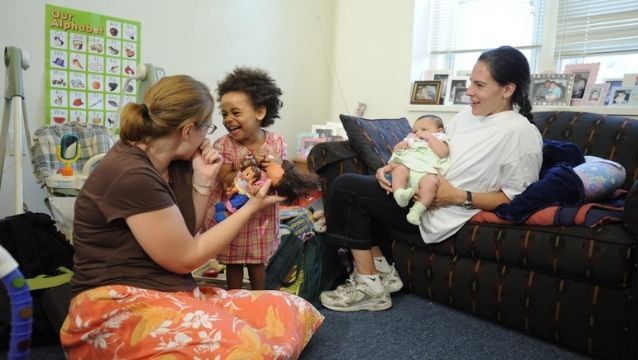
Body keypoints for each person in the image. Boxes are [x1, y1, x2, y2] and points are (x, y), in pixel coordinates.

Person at [59, 75, 323, 358]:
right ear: (187, 131)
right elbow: (186, 256)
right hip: (118, 303)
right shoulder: (131, 174)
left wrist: (203, 180)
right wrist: (250, 208)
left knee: (292, 308)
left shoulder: (179, 163)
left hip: (171, 291)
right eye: (208, 126)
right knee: (247, 349)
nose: (209, 136)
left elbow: (187, 231)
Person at [319, 45, 543, 312]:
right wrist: (391, 167)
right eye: (471, 81)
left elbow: (519, 199)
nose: (469, 90)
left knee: (346, 188)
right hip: (420, 189)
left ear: (508, 90)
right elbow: (435, 152)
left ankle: (370, 288)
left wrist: (458, 196)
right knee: (359, 185)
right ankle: (382, 275)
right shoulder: (466, 117)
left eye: (480, 85)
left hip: (441, 210)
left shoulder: (521, 133)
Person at [204, 67, 287, 291]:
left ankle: (259, 298)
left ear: (260, 113)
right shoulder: (224, 144)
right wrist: (248, 166)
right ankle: (234, 298)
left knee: (257, 261)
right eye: (224, 114)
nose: (228, 119)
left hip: (263, 216)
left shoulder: (276, 142)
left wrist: (275, 163)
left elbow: (282, 176)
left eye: (236, 113)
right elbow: (224, 179)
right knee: (234, 262)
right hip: (234, 212)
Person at [388, 115, 449, 225]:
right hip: (408, 168)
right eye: (415, 131)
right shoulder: (411, 139)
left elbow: (443, 153)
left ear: (439, 131)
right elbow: (395, 151)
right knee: (399, 170)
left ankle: (416, 211)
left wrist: (430, 137)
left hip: (428, 171)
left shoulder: (440, 138)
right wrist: (400, 146)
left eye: (424, 129)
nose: (418, 133)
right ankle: (399, 194)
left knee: (432, 182)